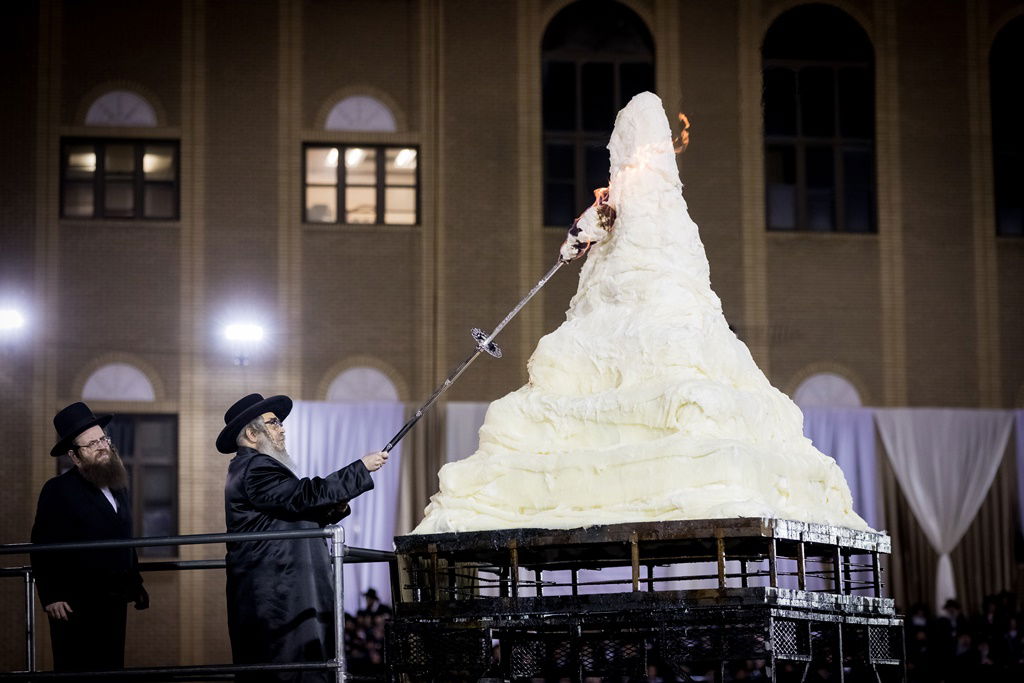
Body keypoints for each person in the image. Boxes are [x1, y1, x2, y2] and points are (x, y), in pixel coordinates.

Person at [217, 393, 388, 682]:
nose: (282, 429)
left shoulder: (252, 469)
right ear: (251, 433)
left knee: (307, 666)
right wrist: (359, 469)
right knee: (292, 670)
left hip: (287, 588)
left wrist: (336, 504)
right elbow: (300, 496)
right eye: (273, 423)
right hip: (279, 596)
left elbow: (291, 512)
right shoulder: (255, 468)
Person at [30, 402, 149, 673]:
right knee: (79, 671)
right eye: (91, 444)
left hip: (113, 600)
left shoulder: (117, 484)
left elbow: (124, 539)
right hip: (75, 603)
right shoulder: (58, 490)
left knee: (111, 669)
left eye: (103, 438)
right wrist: (51, 595)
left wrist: (136, 581)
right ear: (75, 456)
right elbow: (42, 545)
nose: (101, 446)